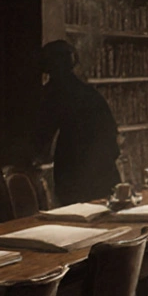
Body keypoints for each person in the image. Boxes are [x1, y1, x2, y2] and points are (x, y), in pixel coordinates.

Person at [32, 40, 121, 204]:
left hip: (73, 174)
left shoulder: (53, 93)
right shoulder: (88, 92)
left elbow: (41, 135)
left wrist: (32, 160)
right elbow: (113, 138)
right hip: (105, 171)